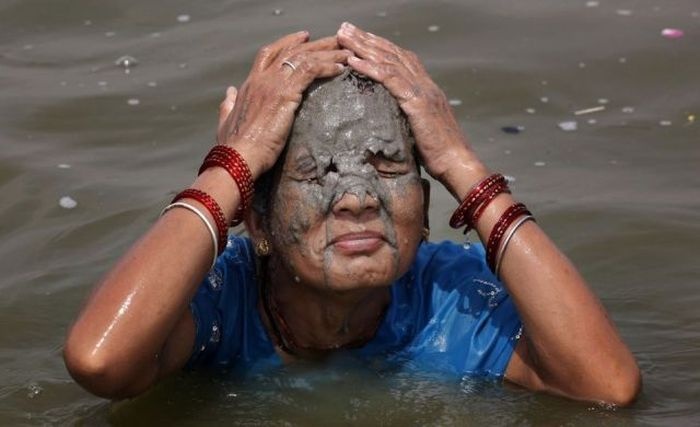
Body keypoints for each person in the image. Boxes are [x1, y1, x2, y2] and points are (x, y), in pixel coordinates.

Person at [63, 22, 641, 405]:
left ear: (427, 209)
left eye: (389, 169)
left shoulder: (456, 302)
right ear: (256, 222)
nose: (359, 199)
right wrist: (235, 162)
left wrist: (460, 162)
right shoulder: (218, 300)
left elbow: (606, 389)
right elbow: (99, 362)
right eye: (316, 174)